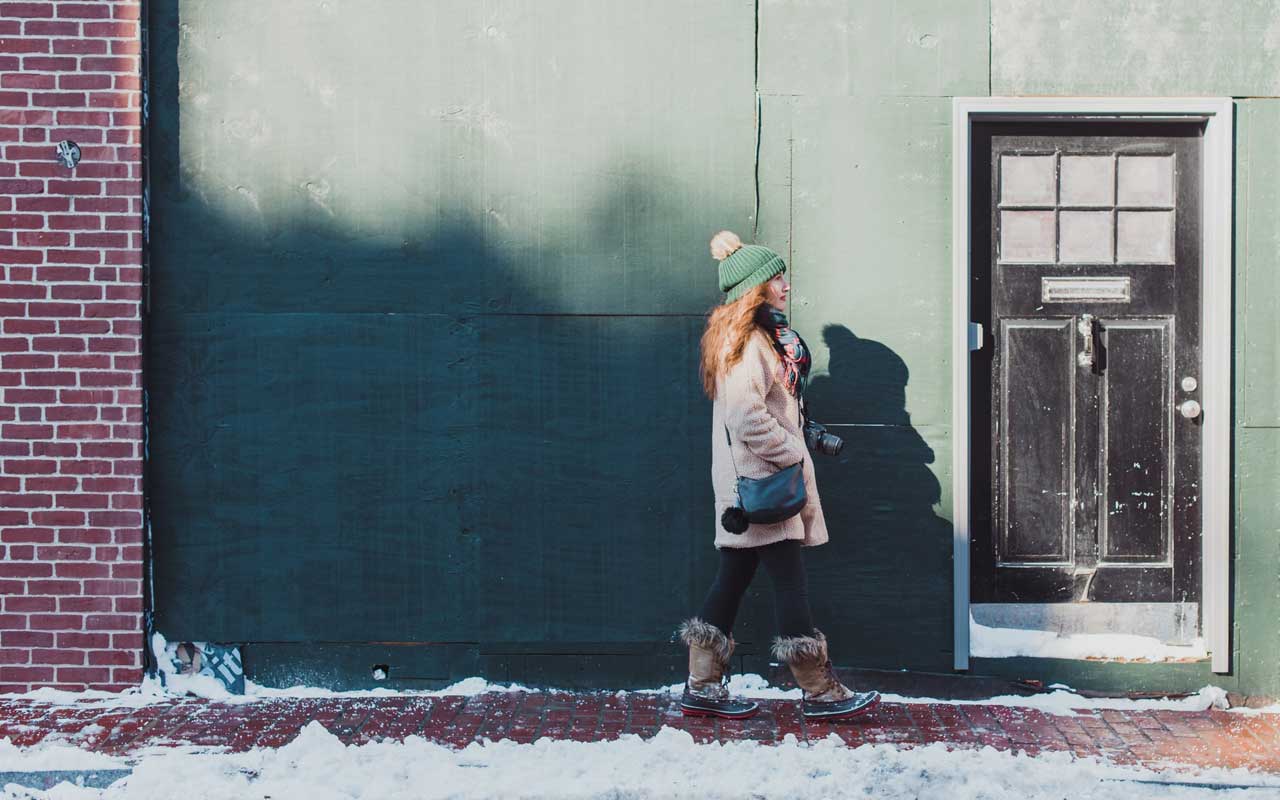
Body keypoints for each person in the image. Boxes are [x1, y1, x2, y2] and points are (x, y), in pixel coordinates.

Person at [675, 230, 881, 722]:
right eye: (776, 277)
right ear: (756, 287)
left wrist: (800, 432)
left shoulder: (751, 339)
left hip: (752, 486)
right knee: (790, 586)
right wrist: (792, 452)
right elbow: (745, 417)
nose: (785, 285)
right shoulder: (749, 344)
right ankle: (819, 692)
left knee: (733, 579)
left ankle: (702, 685)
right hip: (763, 482)